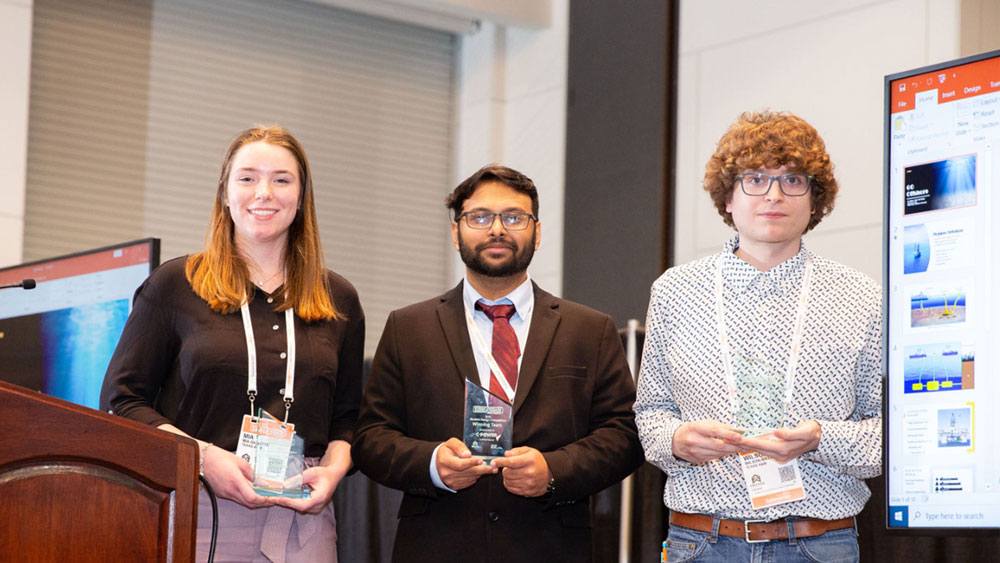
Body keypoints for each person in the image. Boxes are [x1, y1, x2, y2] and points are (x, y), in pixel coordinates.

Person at [351, 164, 643, 562]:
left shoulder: (589, 329)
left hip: (551, 547)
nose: (497, 229)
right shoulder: (408, 327)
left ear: (537, 233)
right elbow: (371, 438)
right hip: (437, 545)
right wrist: (433, 464)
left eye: (514, 217)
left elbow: (625, 435)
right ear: (456, 233)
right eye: (480, 217)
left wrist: (554, 469)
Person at [101, 125, 364, 563]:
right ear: (225, 193)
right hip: (199, 503)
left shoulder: (339, 298)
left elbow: (348, 418)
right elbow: (122, 400)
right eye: (247, 178)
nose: (264, 192)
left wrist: (336, 468)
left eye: (282, 179)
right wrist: (201, 458)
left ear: (301, 198)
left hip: (303, 515)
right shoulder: (175, 285)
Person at [634, 111, 882, 562]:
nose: (773, 194)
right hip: (701, 543)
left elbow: (886, 435)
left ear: (814, 199)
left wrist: (820, 439)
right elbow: (650, 413)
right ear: (728, 197)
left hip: (820, 545)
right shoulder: (673, 292)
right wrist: (677, 440)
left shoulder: (862, 297)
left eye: (792, 181)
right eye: (754, 179)